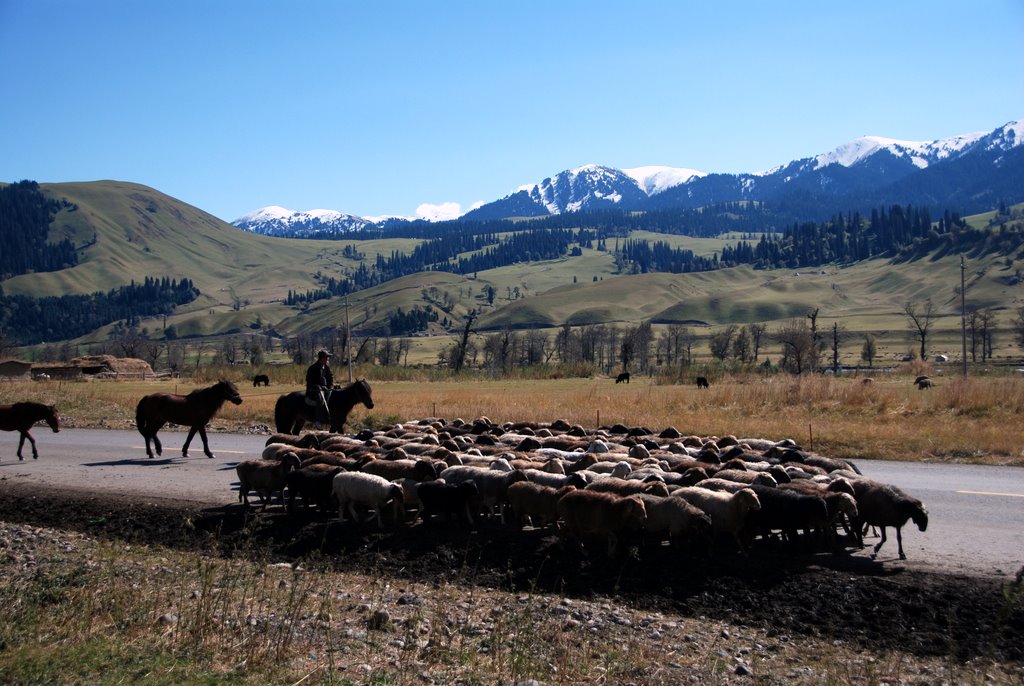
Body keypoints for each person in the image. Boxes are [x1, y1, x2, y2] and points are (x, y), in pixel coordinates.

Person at [305, 350, 334, 427]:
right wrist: (318, 386)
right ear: (322, 358)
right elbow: (309, 380)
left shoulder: (327, 367)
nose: (328, 359)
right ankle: (318, 420)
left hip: (326, 389)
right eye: (327, 358)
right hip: (314, 390)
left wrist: (330, 386)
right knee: (320, 399)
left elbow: (331, 378)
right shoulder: (312, 368)